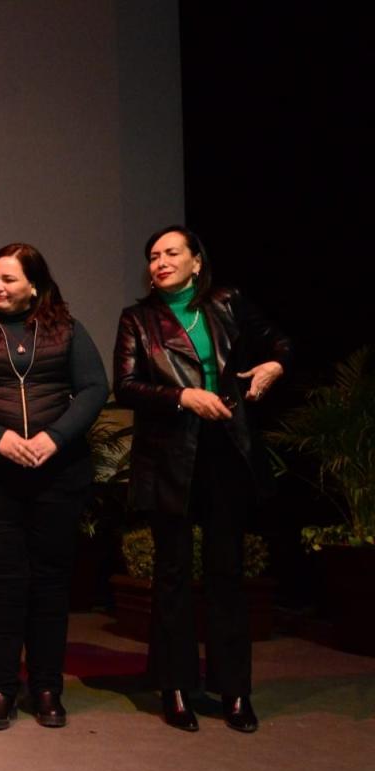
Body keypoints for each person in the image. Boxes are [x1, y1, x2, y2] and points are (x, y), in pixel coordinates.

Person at [114, 225, 290, 733]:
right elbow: (125, 385)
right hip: (169, 457)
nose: (160, 261)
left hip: (226, 451)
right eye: (153, 255)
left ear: (196, 261)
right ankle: (175, 687)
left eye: (171, 252)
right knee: (172, 575)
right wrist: (182, 397)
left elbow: (280, 341)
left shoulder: (227, 302)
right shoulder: (138, 318)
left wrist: (274, 365)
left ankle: (234, 691)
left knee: (226, 574)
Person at [0, 243, 107, 730]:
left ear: (34, 285)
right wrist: (0, 439)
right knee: (0, 586)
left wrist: (55, 438)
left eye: (8, 279)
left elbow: (94, 388)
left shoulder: (67, 330)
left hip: (59, 474)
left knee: (50, 583)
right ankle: (1, 689)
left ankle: (47, 688)